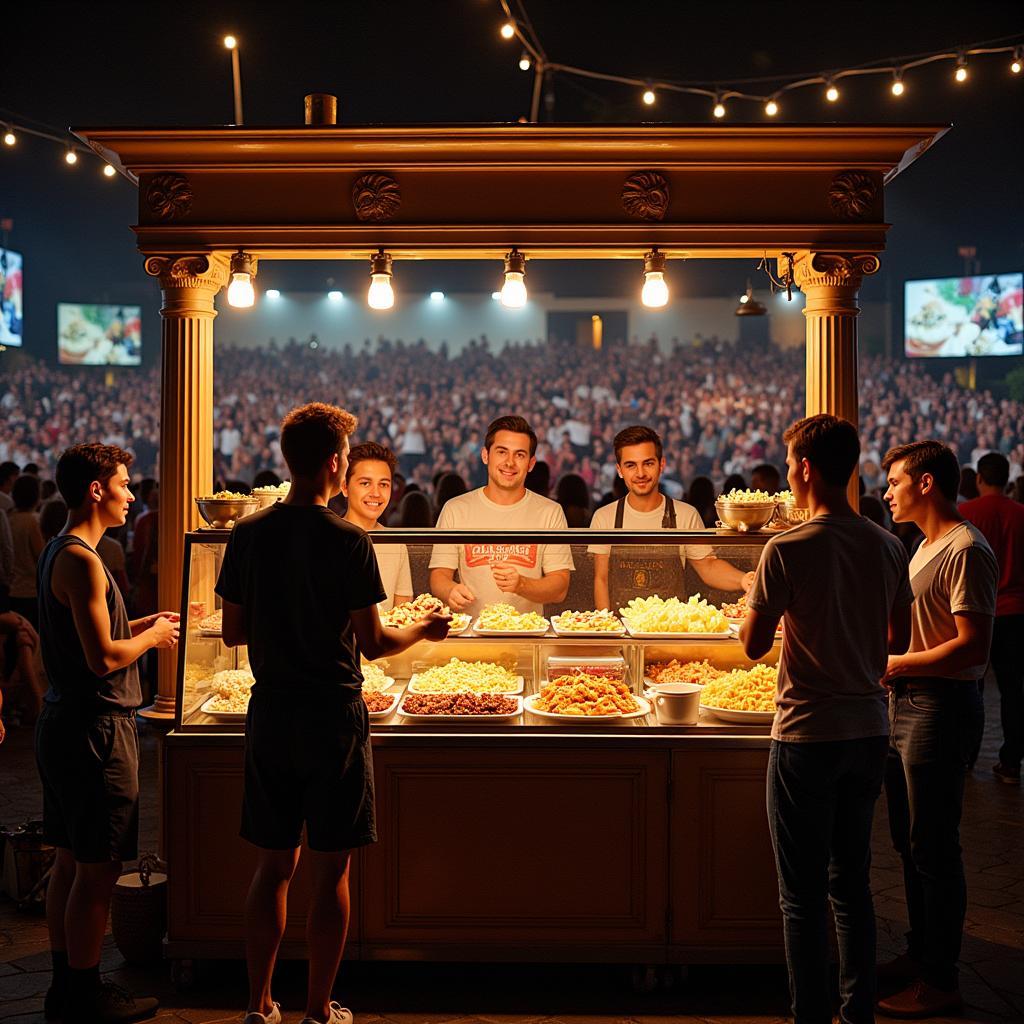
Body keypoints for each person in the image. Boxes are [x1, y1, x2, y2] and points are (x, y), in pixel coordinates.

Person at [216, 403, 450, 1024]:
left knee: (272, 867)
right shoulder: (349, 541)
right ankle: (319, 1006)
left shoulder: (248, 534)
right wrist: (424, 628)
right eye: (346, 455)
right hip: (333, 715)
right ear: (333, 463)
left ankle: (258, 1003)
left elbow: (233, 631)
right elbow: (375, 643)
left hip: (270, 711)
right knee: (331, 870)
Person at [740, 414, 913, 1024]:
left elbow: (752, 646)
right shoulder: (888, 544)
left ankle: (809, 1017)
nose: (788, 474)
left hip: (806, 733)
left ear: (806, 469)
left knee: (801, 898)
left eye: (790, 465)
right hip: (869, 730)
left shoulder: (785, 548)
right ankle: (857, 1011)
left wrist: (779, 614)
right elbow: (899, 636)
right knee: (853, 887)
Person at [35, 444, 180, 1024]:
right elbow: (101, 658)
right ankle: (85, 991)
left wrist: (150, 623)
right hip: (94, 727)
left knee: (69, 862)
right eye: (122, 483)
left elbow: (94, 634)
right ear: (96, 489)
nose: (130, 492)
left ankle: (63, 985)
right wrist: (149, 642)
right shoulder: (83, 560)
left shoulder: (61, 551)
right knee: (97, 871)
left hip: (66, 722)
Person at [878, 440, 997, 1017]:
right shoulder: (922, 546)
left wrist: (899, 665)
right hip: (907, 703)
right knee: (909, 842)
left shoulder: (966, 548)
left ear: (926, 483)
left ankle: (941, 979)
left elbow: (974, 646)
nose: (887, 492)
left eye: (895, 481)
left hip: (940, 707)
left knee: (934, 847)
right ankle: (920, 952)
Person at [589, 426, 754, 611]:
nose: (641, 473)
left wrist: (744, 580)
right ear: (619, 470)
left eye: (648, 463)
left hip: (670, 631)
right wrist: (607, 630)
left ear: (662, 465)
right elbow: (601, 580)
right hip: (622, 631)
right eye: (631, 465)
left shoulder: (685, 515)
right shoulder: (604, 517)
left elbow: (708, 567)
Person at [430, 415, 573, 618]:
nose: (509, 462)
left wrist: (521, 584)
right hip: (470, 637)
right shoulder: (456, 509)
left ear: (531, 463)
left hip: (527, 636)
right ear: (485, 455)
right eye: (502, 452)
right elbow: (439, 576)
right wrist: (449, 590)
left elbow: (560, 587)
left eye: (520, 455)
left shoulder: (550, 512)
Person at [960, 452, 1024, 784]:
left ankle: (966, 755)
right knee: (1014, 689)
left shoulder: (965, 514)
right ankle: (1011, 761)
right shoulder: (1020, 514)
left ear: (980, 479)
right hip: (1015, 612)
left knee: (971, 685)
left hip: (974, 611)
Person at [341, 442, 412, 612]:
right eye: (365, 483)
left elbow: (402, 614)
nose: (376, 493)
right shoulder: (326, 539)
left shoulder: (396, 544)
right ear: (345, 487)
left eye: (384, 484)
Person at [9, 474, 45, 627]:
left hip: (10, 590)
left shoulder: (8, 518)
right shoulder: (32, 521)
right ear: (36, 496)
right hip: (30, 591)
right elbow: (40, 556)